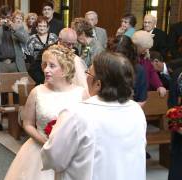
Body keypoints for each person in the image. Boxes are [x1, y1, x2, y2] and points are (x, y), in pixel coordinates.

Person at [41, 52, 147, 180]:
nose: (86, 77)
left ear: (98, 84)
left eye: (89, 73)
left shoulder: (76, 113)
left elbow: (54, 159)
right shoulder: (135, 110)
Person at [5, 44, 88, 180]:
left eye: (52, 66)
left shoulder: (81, 94)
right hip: (39, 151)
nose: (46, 70)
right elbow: (28, 124)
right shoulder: (37, 92)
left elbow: (86, 127)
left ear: (65, 69)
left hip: (70, 154)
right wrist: (44, 141)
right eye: (45, 65)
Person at [0, 5, 28, 130]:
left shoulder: (18, 27)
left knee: (18, 93)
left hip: (16, 64)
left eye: (8, 17)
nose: (6, 19)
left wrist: (13, 28)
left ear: (12, 17)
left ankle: (18, 121)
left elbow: (25, 40)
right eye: (3, 17)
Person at [109, 35, 148, 106]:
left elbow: (141, 100)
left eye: (122, 55)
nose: (118, 59)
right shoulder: (105, 67)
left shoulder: (139, 70)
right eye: (114, 55)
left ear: (130, 53)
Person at [131, 30, 167, 97]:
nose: (146, 51)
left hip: (145, 93)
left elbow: (151, 72)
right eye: (144, 48)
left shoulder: (146, 55)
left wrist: (159, 86)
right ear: (136, 46)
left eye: (148, 48)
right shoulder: (129, 56)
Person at [26, 16, 58, 84]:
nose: (42, 28)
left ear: (48, 27)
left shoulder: (54, 37)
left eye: (44, 26)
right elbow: (29, 56)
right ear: (36, 27)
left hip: (52, 68)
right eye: (40, 26)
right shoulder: (31, 39)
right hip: (38, 70)